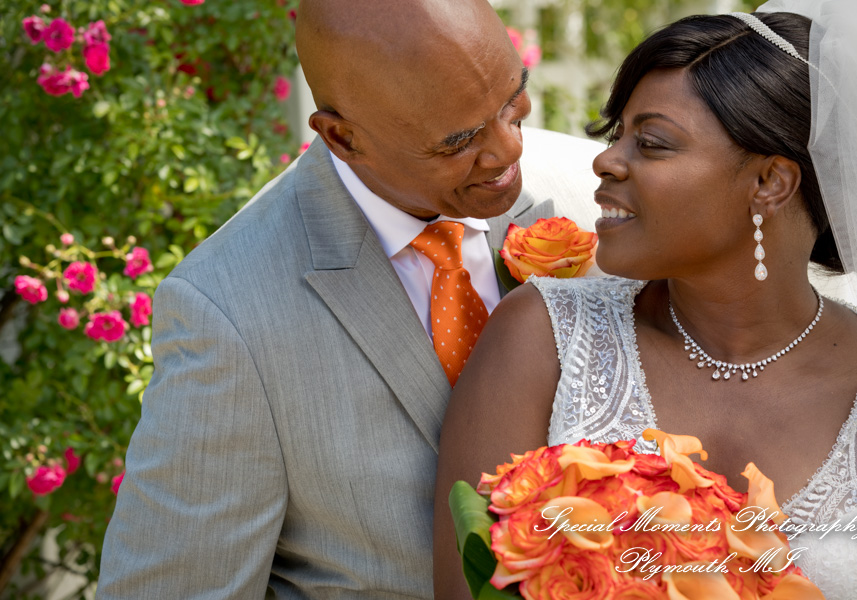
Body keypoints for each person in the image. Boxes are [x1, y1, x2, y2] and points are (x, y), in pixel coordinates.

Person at [95, 0, 604, 598]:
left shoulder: (593, 190)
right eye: (460, 139)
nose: (508, 150)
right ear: (343, 137)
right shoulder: (229, 311)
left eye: (512, 100)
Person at [434, 2, 857, 598]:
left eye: (651, 143)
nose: (604, 160)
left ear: (770, 182)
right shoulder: (542, 337)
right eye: (615, 134)